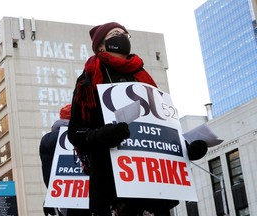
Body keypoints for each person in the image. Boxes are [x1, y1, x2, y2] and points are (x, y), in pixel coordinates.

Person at [67, 22, 208, 216]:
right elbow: (75, 133)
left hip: (152, 190)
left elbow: (160, 126)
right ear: (100, 45)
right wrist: (103, 134)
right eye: (116, 33)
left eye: (126, 34)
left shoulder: (143, 77)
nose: (123, 36)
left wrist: (184, 149)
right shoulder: (87, 81)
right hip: (112, 187)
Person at [39, 104, 90, 216]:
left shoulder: (47, 139)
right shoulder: (82, 134)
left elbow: (47, 171)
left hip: (63, 195)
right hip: (86, 195)